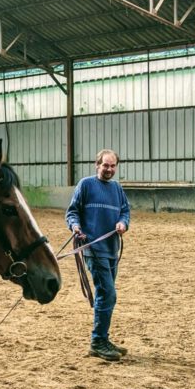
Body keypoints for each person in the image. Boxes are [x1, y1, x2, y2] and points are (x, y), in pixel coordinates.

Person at [65, 149, 130, 362]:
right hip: (93, 248)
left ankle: (102, 338)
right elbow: (72, 212)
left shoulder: (117, 188)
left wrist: (123, 223)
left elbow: (125, 211)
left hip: (111, 249)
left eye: (113, 166)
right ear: (97, 165)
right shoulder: (85, 185)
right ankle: (98, 341)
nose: (109, 169)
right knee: (108, 293)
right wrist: (75, 226)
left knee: (106, 295)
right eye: (105, 165)